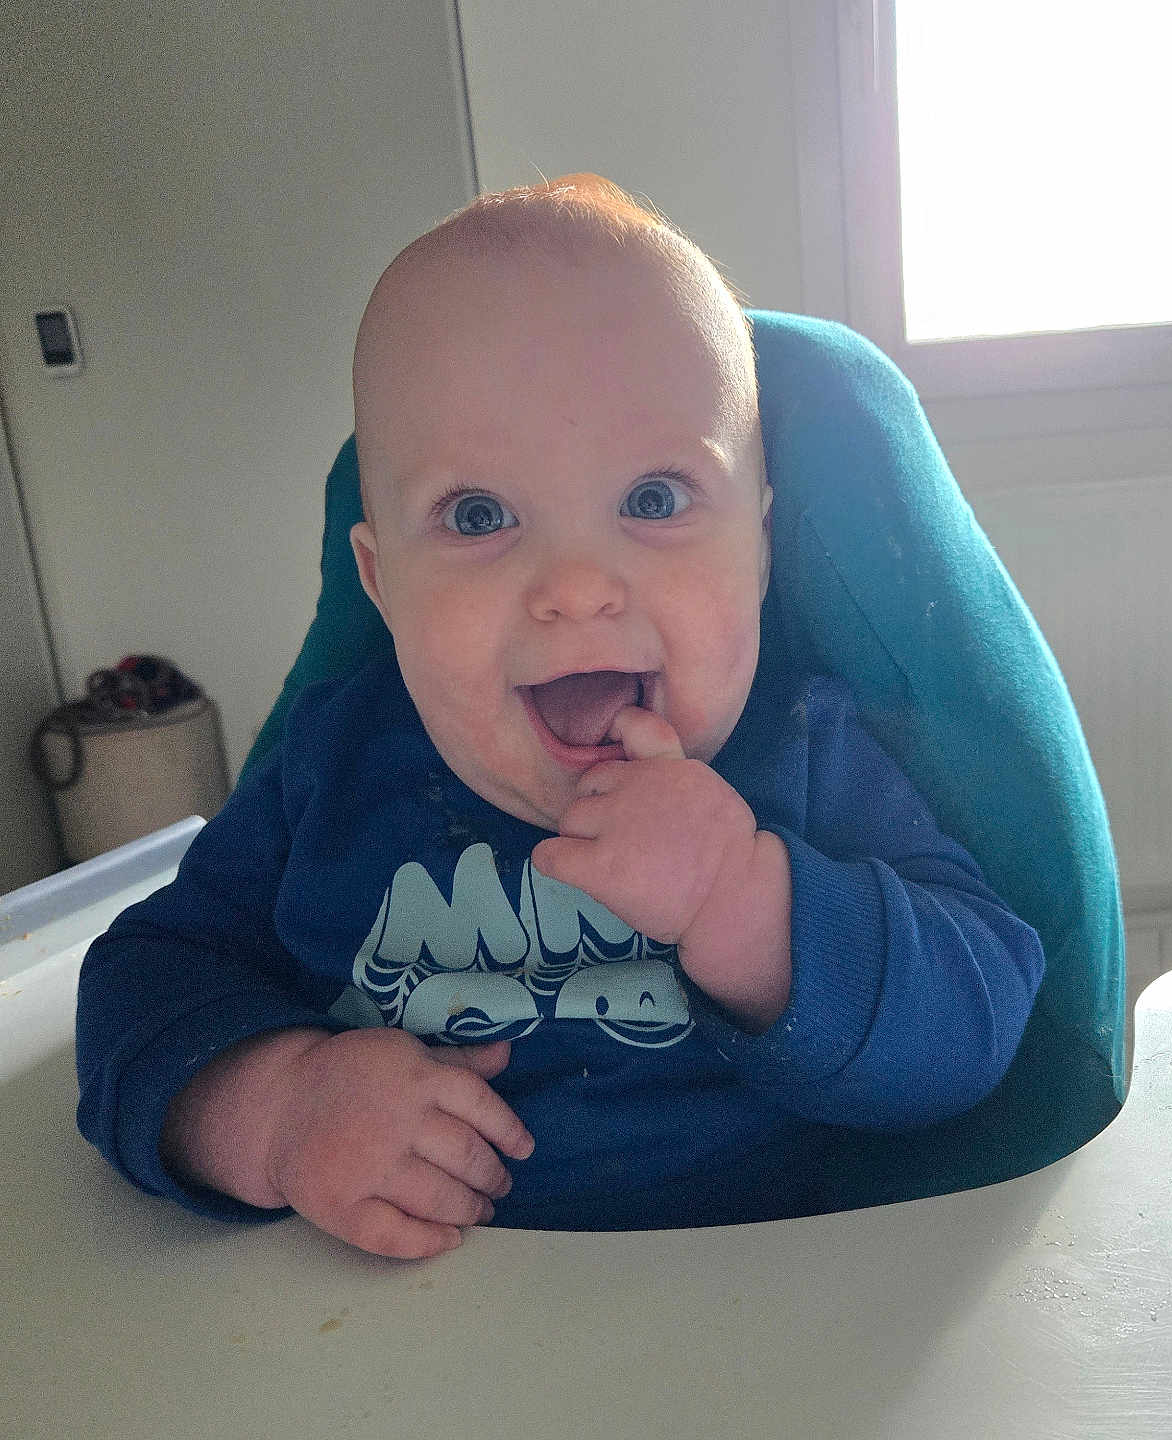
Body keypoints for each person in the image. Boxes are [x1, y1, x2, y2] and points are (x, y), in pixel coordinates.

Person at [75, 176, 1044, 1259]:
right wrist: (280, 1106)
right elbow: (138, 986)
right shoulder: (331, 768)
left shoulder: (805, 757)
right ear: (382, 583)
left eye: (656, 499)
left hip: (754, 1328)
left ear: (760, 551)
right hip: (390, 1345)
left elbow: (983, 1026)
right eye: (479, 515)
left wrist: (745, 900)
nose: (577, 585)